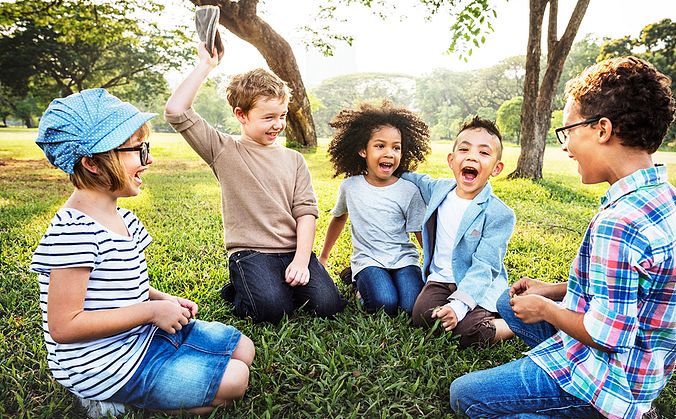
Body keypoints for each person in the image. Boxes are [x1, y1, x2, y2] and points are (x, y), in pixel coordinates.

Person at [450, 56, 676, 418]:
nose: (565, 147)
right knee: (508, 303)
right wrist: (552, 290)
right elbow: (629, 290)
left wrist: (546, 308)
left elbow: (607, 335)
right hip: (645, 368)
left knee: (464, 396)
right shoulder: (669, 199)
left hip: (610, 379)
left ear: (602, 129)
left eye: (568, 131)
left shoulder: (621, 223)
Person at [30, 88, 255, 416]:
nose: (148, 160)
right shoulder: (74, 232)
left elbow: (119, 286)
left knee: (244, 349)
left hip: (140, 337)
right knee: (235, 380)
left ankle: (162, 374)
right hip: (104, 366)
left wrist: (161, 300)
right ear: (92, 162)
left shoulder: (122, 217)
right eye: (138, 150)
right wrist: (150, 313)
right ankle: (110, 401)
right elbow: (65, 325)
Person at [164, 43, 346, 324]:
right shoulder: (223, 150)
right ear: (241, 115)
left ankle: (275, 284)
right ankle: (241, 287)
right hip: (251, 253)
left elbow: (306, 213)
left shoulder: (294, 159)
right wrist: (206, 65)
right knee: (271, 311)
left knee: (328, 306)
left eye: (282, 115)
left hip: (292, 250)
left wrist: (301, 260)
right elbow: (176, 112)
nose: (278, 124)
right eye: (269, 117)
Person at [401, 116, 516, 348]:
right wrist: (386, 167)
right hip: (441, 280)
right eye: (464, 149)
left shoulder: (499, 213)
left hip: (477, 283)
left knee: (467, 332)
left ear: (496, 168)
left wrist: (458, 306)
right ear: (452, 160)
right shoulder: (439, 189)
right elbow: (414, 178)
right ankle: (459, 313)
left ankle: (510, 323)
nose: (472, 156)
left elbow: (485, 266)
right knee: (422, 316)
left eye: (484, 153)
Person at [318, 102, 430, 316]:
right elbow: (339, 218)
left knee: (410, 306)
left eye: (396, 147)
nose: (389, 153)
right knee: (384, 303)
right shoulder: (350, 187)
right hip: (368, 259)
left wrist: (435, 266)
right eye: (380, 146)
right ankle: (359, 283)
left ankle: (364, 279)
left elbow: (419, 231)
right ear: (362, 150)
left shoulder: (409, 190)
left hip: (404, 259)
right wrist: (324, 256)